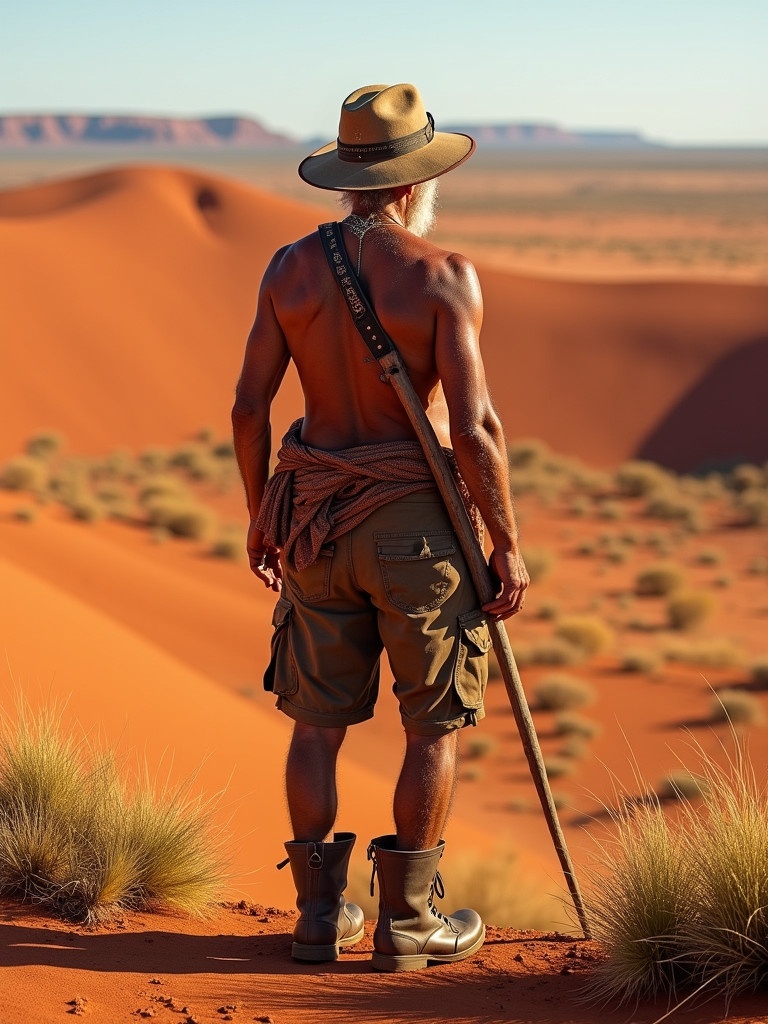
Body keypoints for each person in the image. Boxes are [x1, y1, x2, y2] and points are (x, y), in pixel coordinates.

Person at [232, 83, 529, 972]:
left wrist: (261, 516)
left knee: (317, 727)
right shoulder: (441, 276)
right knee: (430, 727)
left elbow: (250, 406)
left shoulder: (287, 269)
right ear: (413, 184)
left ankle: (319, 919)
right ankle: (407, 927)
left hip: (315, 521)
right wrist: (506, 540)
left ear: (348, 178)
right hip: (417, 530)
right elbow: (474, 429)